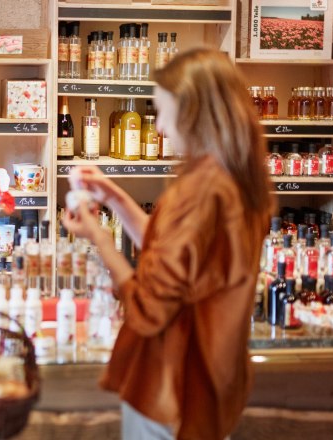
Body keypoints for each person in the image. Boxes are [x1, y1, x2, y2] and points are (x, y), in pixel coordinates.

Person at [62, 48, 273, 440]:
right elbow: (174, 254)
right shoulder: (237, 180)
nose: (158, 127)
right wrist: (114, 196)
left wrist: (98, 238)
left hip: (171, 385)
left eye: (162, 111)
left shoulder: (198, 192)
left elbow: (149, 308)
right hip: (213, 381)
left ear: (192, 112)